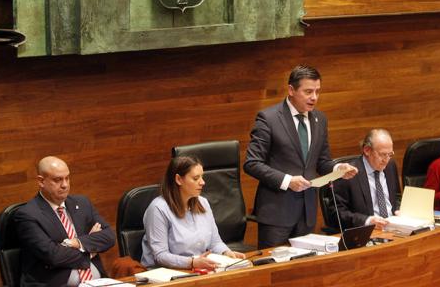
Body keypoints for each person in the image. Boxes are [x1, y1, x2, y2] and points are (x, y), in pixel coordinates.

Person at [244, 65, 358, 249]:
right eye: (308, 91)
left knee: (303, 269)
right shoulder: (269, 118)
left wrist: (338, 169)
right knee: (274, 270)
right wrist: (288, 180)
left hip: (307, 212)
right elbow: (252, 163)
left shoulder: (320, 120)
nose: (314, 97)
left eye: (317, 91)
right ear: (291, 90)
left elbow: (321, 161)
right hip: (276, 213)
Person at [14, 156, 115, 286]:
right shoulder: (27, 215)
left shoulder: (82, 203)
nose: (65, 185)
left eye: (67, 178)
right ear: (41, 181)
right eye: (57, 180)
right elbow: (54, 256)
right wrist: (90, 250)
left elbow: (109, 236)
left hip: (98, 282)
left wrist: (77, 242)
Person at [141, 156, 245, 270]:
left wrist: (226, 253)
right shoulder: (158, 209)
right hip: (165, 275)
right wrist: (191, 262)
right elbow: (160, 256)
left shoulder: (203, 203)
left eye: (202, 177)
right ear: (178, 180)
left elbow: (215, 242)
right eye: (196, 178)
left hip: (196, 270)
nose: (202, 182)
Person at [333, 129, 401, 230]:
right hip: (367, 232)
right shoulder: (348, 174)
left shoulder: (391, 166)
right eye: (382, 154)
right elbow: (337, 214)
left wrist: (399, 210)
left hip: (394, 228)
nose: (386, 160)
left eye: (390, 154)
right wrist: (367, 221)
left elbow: (396, 196)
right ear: (367, 150)